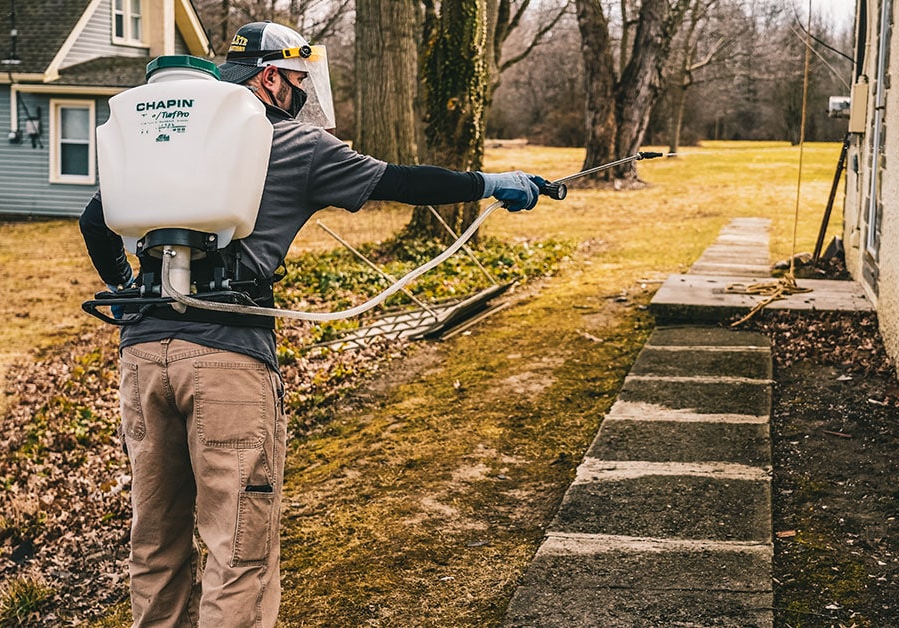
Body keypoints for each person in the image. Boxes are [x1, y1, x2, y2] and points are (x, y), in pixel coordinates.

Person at [79, 21, 549, 627]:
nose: (301, 94)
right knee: (237, 547)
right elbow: (401, 180)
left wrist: (128, 288)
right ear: (270, 77)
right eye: (298, 80)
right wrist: (491, 183)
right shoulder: (293, 144)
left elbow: (96, 221)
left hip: (142, 359)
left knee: (156, 544)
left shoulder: (162, 140)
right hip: (226, 362)